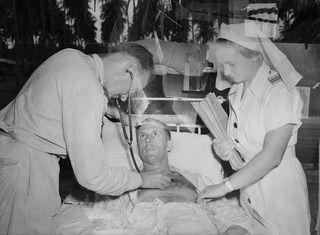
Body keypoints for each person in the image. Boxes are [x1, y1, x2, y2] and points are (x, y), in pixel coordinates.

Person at [0, 44, 172, 235]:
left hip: (13, 154)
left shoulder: (71, 57)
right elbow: (92, 176)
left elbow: (61, 100)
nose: (125, 96)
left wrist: (105, 109)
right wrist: (141, 179)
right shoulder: (89, 89)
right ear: (130, 68)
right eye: (133, 90)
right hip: (26, 167)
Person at [197, 22, 311, 235]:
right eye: (223, 65)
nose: (227, 72)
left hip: (280, 193)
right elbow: (246, 140)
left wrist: (224, 186)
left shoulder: (279, 92)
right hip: (249, 189)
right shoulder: (237, 91)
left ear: (255, 56)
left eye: (231, 64)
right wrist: (225, 148)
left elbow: (271, 156)